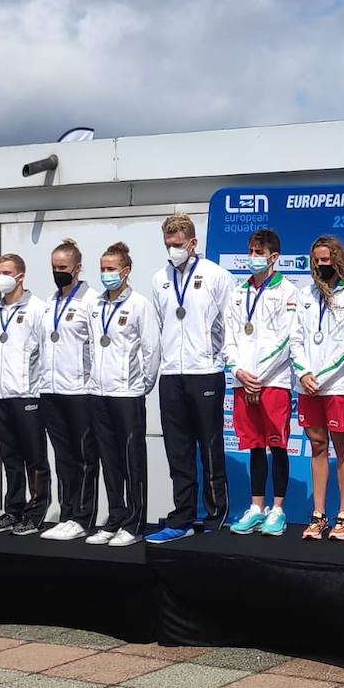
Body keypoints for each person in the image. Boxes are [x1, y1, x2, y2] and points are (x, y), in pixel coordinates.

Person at [146, 213, 236, 543]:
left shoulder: (216, 275)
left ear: (193, 243)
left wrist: (224, 361)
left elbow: (231, 323)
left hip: (205, 371)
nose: (173, 250)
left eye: (178, 244)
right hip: (171, 373)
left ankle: (215, 514)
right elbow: (161, 325)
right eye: (168, 245)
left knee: (210, 447)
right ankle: (182, 515)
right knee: (178, 450)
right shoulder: (160, 279)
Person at [292, 236, 344, 541]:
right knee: (317, 446)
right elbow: (295, 338)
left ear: (338, 259)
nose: (320, 265)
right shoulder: (305, 293)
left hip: (338, 384)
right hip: (308, 384)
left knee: (341, 446)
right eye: (316, 260)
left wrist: (321, 376)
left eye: (325, 259)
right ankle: (318, 513)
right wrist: (303, 372)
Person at [86, 242, 161, 547]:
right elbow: (91, 346)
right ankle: (115, 517)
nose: (106, 274)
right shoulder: (95, 304)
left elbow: (152, 349)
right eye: (102, 269)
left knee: (132, 461)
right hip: (98, 392)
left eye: (111, 269)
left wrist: (142, 385)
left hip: (127, 394)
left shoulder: (139, 304)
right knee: (108, 459)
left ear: (126, 271)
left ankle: (134, 522)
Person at [226, 228, 300, 536]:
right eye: (251, 252)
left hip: (274, 381)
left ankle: (277, 509)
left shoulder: (288, 291)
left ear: (274, 257)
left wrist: (260, 376)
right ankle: (256, 507)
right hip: (244, 381)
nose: (253, 257)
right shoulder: (237, 292)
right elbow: (229, 337)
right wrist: (238, 371)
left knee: (277, 445)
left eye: (259, 252)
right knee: (254, 446)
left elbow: (288, 339)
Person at [39, 239, 102, 542]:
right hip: (51, 390)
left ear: (77, 268)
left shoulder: (92, 301)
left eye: (62, 267)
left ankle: (83, 517)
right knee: (63, 457)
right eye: (54, 267)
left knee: (85, 457)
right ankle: (67, 514)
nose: (57, 272)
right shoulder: (50, 301)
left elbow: (99, 348)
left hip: (80, 390)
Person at [0, 254, 51, 535]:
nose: (1, 277)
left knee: (34, 458)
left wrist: (40, 388)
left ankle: (35, 513)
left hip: (27, 394)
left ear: (20, 275)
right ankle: (13, 510)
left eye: (6, 272)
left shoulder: (38, 309)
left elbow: (46, 353)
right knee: (10, 458)